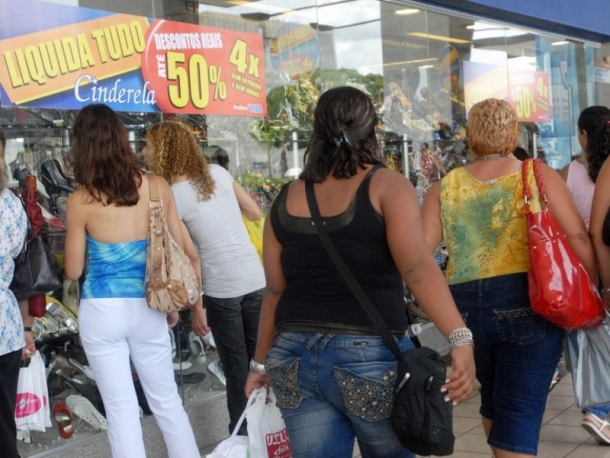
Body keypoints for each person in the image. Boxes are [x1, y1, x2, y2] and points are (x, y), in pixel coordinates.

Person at [245, 86, 475, 458]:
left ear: (316, 131)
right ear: (372, 129)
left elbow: (274, 291)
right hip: (368, 354)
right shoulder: (387, 185)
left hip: (292, 356)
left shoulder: (286, 197)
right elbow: (416, 267)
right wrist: (460, 338)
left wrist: (258, 363)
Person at [422, 98, 597, 458]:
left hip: (465, 312)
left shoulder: (445, 186)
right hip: (527, 302)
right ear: (514, 132)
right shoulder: (536, 174)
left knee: (496, 401)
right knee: (518, 411)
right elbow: (577, 236)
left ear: (471, 136)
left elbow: (421, 256)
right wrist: (596, 285)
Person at [64, 104, 201, 458]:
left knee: (122, 411)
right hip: (149, 305)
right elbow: (179, 251)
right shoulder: (156, 187)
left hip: (102, 310)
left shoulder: (80, 201)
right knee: (167, 402)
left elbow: (74, 271)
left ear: (82, 146)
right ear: (122, 140)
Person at [142, 121, 264, 436]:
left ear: (164, 152)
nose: (144, 151)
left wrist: (197, 308)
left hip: (221, 286)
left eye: (149, 145)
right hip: (254, 276)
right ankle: (270, 435)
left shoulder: (170, 195)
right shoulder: (218, 174)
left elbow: (189, 256)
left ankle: (242, 440)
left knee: (237, 370)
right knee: (261, 364)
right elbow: (253, 211)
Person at [568, 106, 610, 444]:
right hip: (599, 266)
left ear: (584, 135)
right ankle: (600, 411)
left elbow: (591, 231)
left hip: (585, 270)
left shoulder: (569, 173)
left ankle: (598, 409)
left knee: (593, 344)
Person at [0, 129, 35, 458]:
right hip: (6, 325)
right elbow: (20, 267)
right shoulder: (11, 204)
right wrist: (26, 328)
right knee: (3, 425)